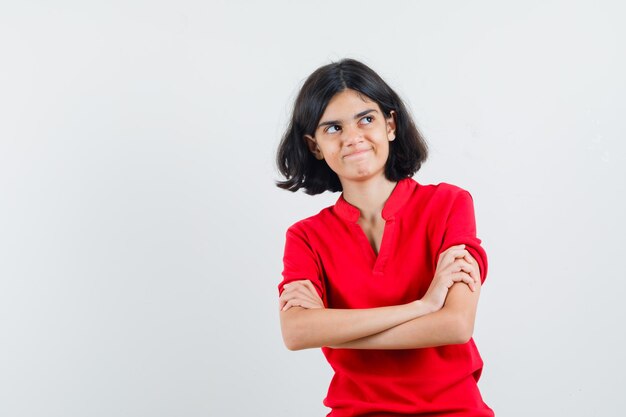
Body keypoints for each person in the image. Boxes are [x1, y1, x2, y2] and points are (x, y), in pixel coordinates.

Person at [275, 58, 494, 417]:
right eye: (333, 128)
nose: (352, 138)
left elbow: (455, 325)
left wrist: (332, 328)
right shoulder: (306, 237)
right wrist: (421, 308)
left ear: (390, 124)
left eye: (366, 119)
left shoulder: (449, 204)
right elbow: (296, 333)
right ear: (314, 146)